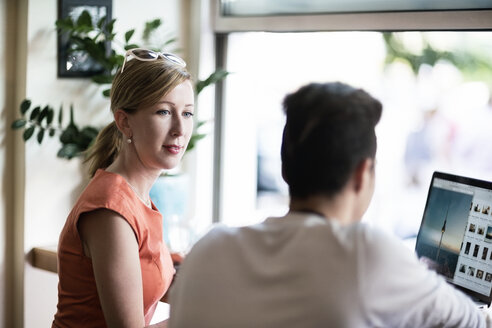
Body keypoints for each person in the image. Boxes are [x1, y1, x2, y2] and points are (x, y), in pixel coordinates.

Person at [169, 82, 492, 327]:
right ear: (362, 174)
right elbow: (474, 321)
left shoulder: (208, 250)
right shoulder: (366, 253)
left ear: (284, 167)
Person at [52, 48, 194, 328]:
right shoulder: (110, 210)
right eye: (164, 111)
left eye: (187, 113)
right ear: (125, 122)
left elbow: (146, 275)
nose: (180, 128)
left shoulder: (137, 196)